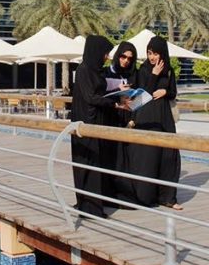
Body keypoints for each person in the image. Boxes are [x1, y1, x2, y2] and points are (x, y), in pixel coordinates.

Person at [117, 36, 182, 210]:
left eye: (155, 53)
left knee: (168, 154)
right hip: (146, 115)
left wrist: (165, 92)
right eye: (149, 53)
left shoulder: (169, 70)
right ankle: (146, 197)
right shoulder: (143, 70)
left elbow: (173, 92)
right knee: (147, 156)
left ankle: (168, 198)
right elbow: (142, 95)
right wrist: (154, 75)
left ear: (163, 53)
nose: (152, 57)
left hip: (164, 117)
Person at [68, 35, 124, 217]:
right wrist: (114, 103)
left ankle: (92, 205)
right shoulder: (84, 70)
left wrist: (118, 90)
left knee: (95, 163)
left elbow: (100, 91)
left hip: (95, 120)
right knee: (87, 163)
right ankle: (88, 207)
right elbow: (91, 97)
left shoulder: (95, 70)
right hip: (85, 123)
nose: (107, 57)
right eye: (105, 53)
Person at [104, 42, 138, 128]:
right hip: (108, 116)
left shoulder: (134, 75)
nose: (126, 60)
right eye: (123, 57)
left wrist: (133, 119)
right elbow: (99, 95)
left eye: (130, 58)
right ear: (118, 55)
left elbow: (138, 98)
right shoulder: (105, 72)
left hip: (127, 119)